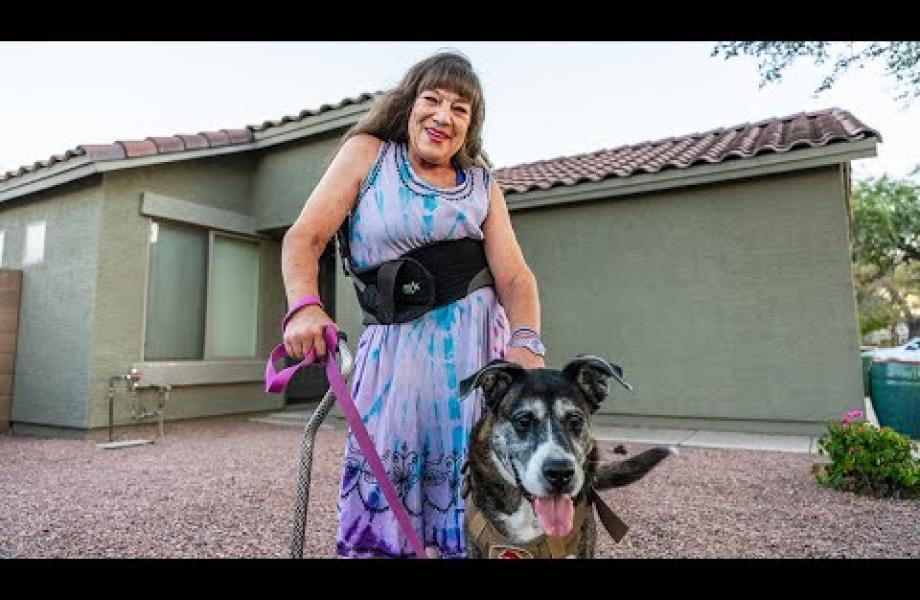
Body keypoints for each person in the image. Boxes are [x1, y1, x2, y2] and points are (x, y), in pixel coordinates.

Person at [280, 50, 545, 559]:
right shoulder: (368, 154)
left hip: (474, 367)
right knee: (386, 501)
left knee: (477, 507)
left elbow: (515, 277)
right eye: (433, 100)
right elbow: (304, 238)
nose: (444, 116)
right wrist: (304, 307)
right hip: (394, 366)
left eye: (461, 109)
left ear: (470, 126)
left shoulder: (483, 186)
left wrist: (527, 342)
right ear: (410, 104)